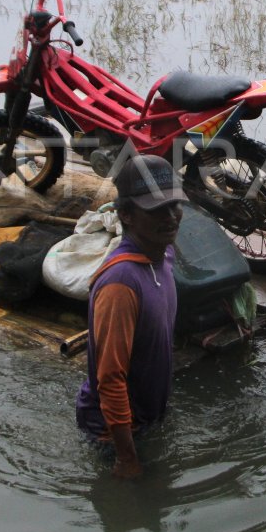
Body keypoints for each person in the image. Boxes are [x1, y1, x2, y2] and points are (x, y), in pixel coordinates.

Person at [75, 154, 186, 479]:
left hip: (149, 412)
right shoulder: (121, 283)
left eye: (174, 205)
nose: (171, 217)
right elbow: (110, 378)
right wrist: (126, 458)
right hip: (113, 432)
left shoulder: (162, 254)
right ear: (126, 215)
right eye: (156, 210)